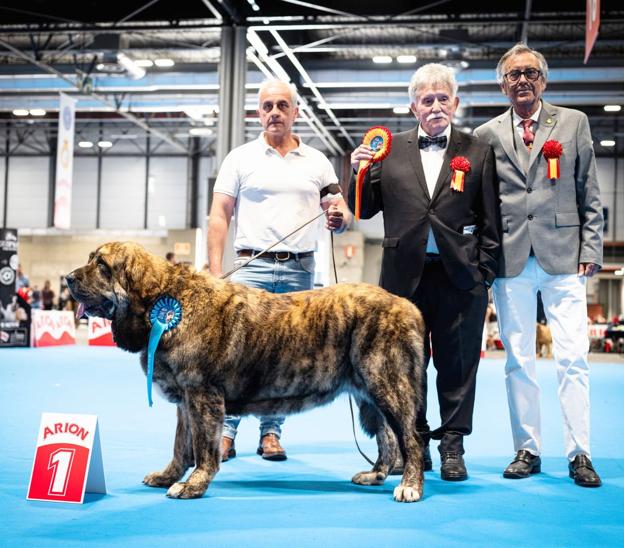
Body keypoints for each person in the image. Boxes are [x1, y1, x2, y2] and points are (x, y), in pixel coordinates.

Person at [349, 63, 500, 481]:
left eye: (442, 98)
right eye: (426, 100)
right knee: (406, 366)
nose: (435, 106)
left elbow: (492, 219)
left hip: (460, 277)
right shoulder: (388, 149)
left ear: (455, 102)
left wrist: (484, 272)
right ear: (413, 106)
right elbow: (363, 209)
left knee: (458, 364)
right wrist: (357, 169)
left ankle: (452, 446)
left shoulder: (478, 150)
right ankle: (415, 444)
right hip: (401, 280)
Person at [474, 43, 604, 487]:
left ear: (543, 80)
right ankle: (527, 448)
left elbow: (589, 190)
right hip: (510, 260)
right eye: (513, 74)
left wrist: (592, 248)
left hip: (564, 256)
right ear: (502, 83)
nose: (522, 80)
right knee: (518, 360)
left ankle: (580, 452)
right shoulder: (485, 134)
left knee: (573, 357)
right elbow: (483, 203)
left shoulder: (573, 123)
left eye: (530, 72)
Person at [208, 79, 351, 463]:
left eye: (282, 106)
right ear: (258, 113)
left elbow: (340, 209)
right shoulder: (239, 158)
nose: (275, 112)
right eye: (267, 106)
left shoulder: (317, 161)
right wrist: (215, 272)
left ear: (295, 112)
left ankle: (271, 434)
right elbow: (219, 216)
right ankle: (227, 431)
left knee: (285, 356)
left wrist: (340, 217)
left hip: (300, 271)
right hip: (248, 270)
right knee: (237, 355)